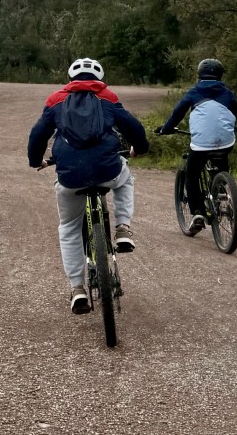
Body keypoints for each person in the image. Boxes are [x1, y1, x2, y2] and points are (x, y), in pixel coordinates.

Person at [27, 57, 150, 314]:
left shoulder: (55, 100)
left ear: (70, 78)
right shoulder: (107, 97)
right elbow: (133, 126)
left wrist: (35, 160)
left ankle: (77, 289)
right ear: (99, 78)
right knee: (126, 179)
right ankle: (123, 227)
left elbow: (38, 134)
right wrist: (141, 146)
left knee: (69, 228)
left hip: (71, 178)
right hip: (108, 171)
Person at [155, 57, 237, 234]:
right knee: (222, 157)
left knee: (192, 174)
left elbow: (177, 114)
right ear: (220, 76)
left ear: (199, 75)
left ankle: (198, 213)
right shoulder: (228, 94)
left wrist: (166, 129)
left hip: (201, 144)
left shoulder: (193, 93)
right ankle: (222, 188)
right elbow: (233, 116)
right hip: (226, 141)